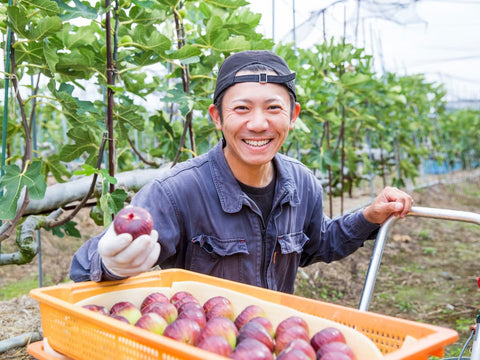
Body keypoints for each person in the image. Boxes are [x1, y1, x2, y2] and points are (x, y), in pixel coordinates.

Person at [70, 50, 413, 293]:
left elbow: (316, 245)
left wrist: (369, 216)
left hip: (271, 342)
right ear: (217, 117)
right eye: (242, 108)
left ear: (293, 116)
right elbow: (83, 271)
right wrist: (112, 264)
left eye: (273, 108)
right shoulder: (176, 192)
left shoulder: (302, 183)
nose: (259, 123)